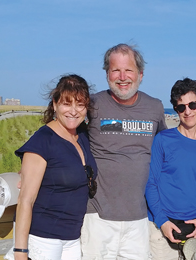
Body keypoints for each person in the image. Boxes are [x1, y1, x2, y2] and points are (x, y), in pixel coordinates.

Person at [81, 43, 167, 260]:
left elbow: (167, 151)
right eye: (115, 70)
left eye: (128, 70)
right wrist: (33, 167)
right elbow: (63, 136)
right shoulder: (92, 104)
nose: (122, 77)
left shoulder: (155, 107)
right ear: (107, 73)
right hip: (97, 216)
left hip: (138, 218)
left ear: (140, 74)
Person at [11, 74, 98, 260]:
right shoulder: (43, 141)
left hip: (73, 237)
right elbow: (25, 201)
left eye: (80, 104)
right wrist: (20, 252)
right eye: (67, 104)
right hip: (43, 238)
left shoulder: (82, 135)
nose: (74, 111)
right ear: (55, 104)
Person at [146, 78, 196, 260]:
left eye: (192, 105)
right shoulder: (162, 140)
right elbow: (151, 183)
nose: (187, 111)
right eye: (181, 107)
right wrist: (162, 221)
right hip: (161, 227)